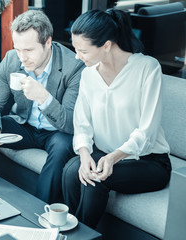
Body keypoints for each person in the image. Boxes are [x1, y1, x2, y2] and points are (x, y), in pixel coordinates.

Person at [62, 9, 172, 228]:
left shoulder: (147, 68)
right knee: (71, 170)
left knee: (97, 179)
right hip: (104, 154)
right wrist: (84, 155)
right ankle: (73, 230)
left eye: (82, 50)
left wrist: (113, 158)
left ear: (106, 45)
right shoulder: (88, 74)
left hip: (148, 162)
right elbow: (82, 124)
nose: (77, 56)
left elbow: (146, 133)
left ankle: (79, 235)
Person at [0, 10, 84, 203]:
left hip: (56, 131)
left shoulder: (73, 67)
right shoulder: (12, 59)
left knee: (62, 146)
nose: (22, 57)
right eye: (18, 49)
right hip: (25, 126)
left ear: (48, 42)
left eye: (29, 50)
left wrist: (43, 97)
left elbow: (69, 123)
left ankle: (41, 209)